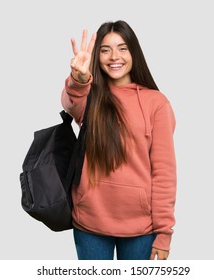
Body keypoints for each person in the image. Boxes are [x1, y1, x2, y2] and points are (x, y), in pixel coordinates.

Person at [61, 20, 177, 260]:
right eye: (105, 50)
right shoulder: (89, 95)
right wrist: (78, 78)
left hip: (141, 229)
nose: (115, 56)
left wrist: (164, 232)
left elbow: (164, 172)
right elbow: (70, 102)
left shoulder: (157, 103)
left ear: (134, 52)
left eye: (122, 48)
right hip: (90, 222)